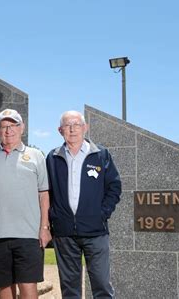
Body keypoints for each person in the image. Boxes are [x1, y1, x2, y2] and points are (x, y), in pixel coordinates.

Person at [46, 110, 122, 299]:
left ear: (85, 127)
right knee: (70, 290)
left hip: (95, 231)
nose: (72, 129)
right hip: (64, 233)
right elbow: (46, 192)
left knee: (102, 286)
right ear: (60, 130)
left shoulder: (101, 155)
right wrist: (53, 218)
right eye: (67, 125)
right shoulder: (52, 158)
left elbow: (114, 187)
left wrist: (102, 213)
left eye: (77, 124)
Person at [0, 109, 51, 299]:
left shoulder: (36, 156)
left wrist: (44, 227)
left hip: (29, 235)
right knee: (4, 287)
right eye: (4, 126)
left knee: (28, 286)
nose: (8, 130)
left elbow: (44, 194)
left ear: (22, 128)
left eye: (13, 126)